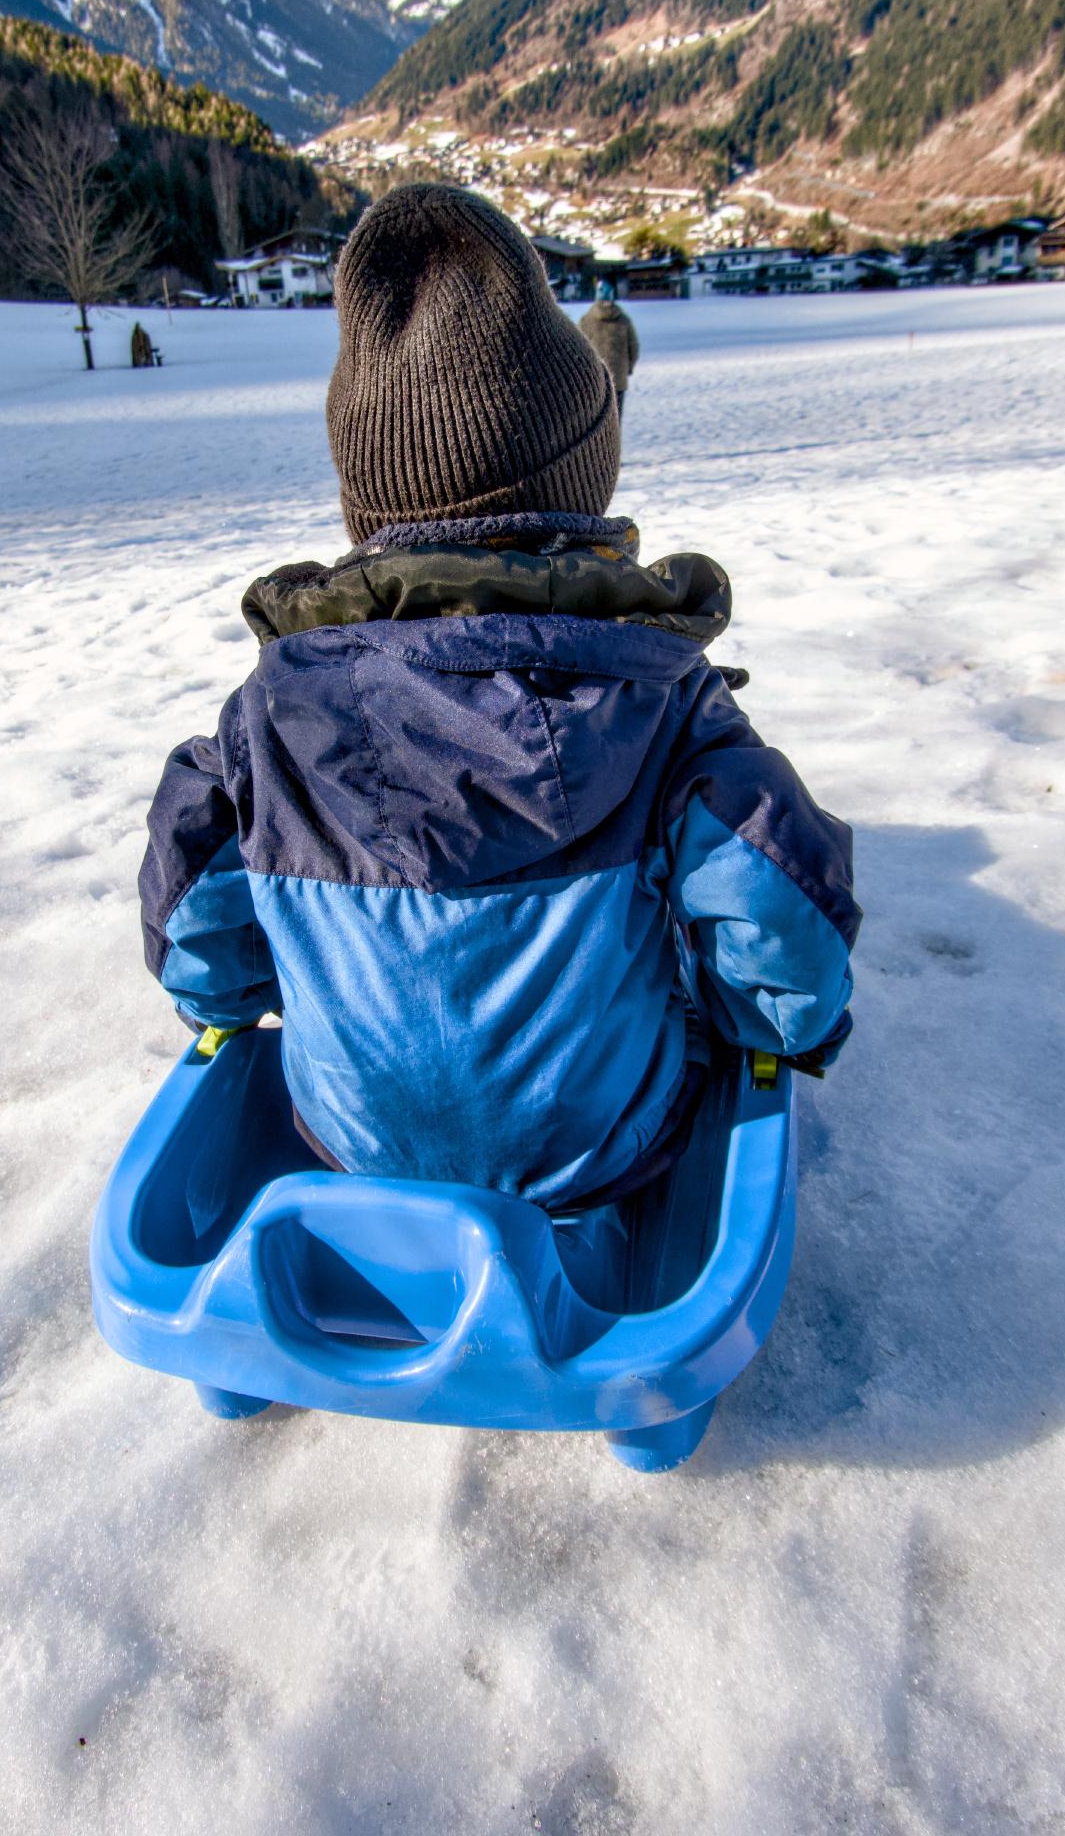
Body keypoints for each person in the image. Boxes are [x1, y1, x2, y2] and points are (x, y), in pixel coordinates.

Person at [139, 186, 858, 1209]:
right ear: (585, 483)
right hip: (606, 1155)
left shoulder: (267, 719)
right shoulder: (663, 702)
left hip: (348, 1153)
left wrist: (259, 985)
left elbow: (202, 946)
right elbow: (783, 945)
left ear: (368, 509)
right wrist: (781, 1030)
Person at [579, 279, 639, 421]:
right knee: (616, 421)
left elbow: (578, 351)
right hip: (618, 377)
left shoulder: (586, 320)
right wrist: (627, 368)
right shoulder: (624, 320)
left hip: (595, 379)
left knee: (597, 422)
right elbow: (634, 347)